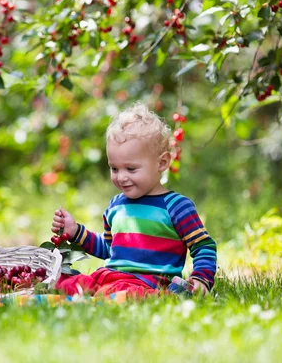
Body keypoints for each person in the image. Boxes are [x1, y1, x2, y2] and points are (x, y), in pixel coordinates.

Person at [50, 103, 217, 298]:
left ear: (161, 163)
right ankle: (94, 293)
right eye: (114, 168)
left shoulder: (176, 207)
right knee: (63, 280)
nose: (121, 177)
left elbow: (203, 246)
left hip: (146, 284)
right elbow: (110, 249)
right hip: (109, 276)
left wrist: (201, 279)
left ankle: (127, 296)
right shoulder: (116, 206)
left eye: (131, 169)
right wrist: (76, 231)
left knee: (124, 294)